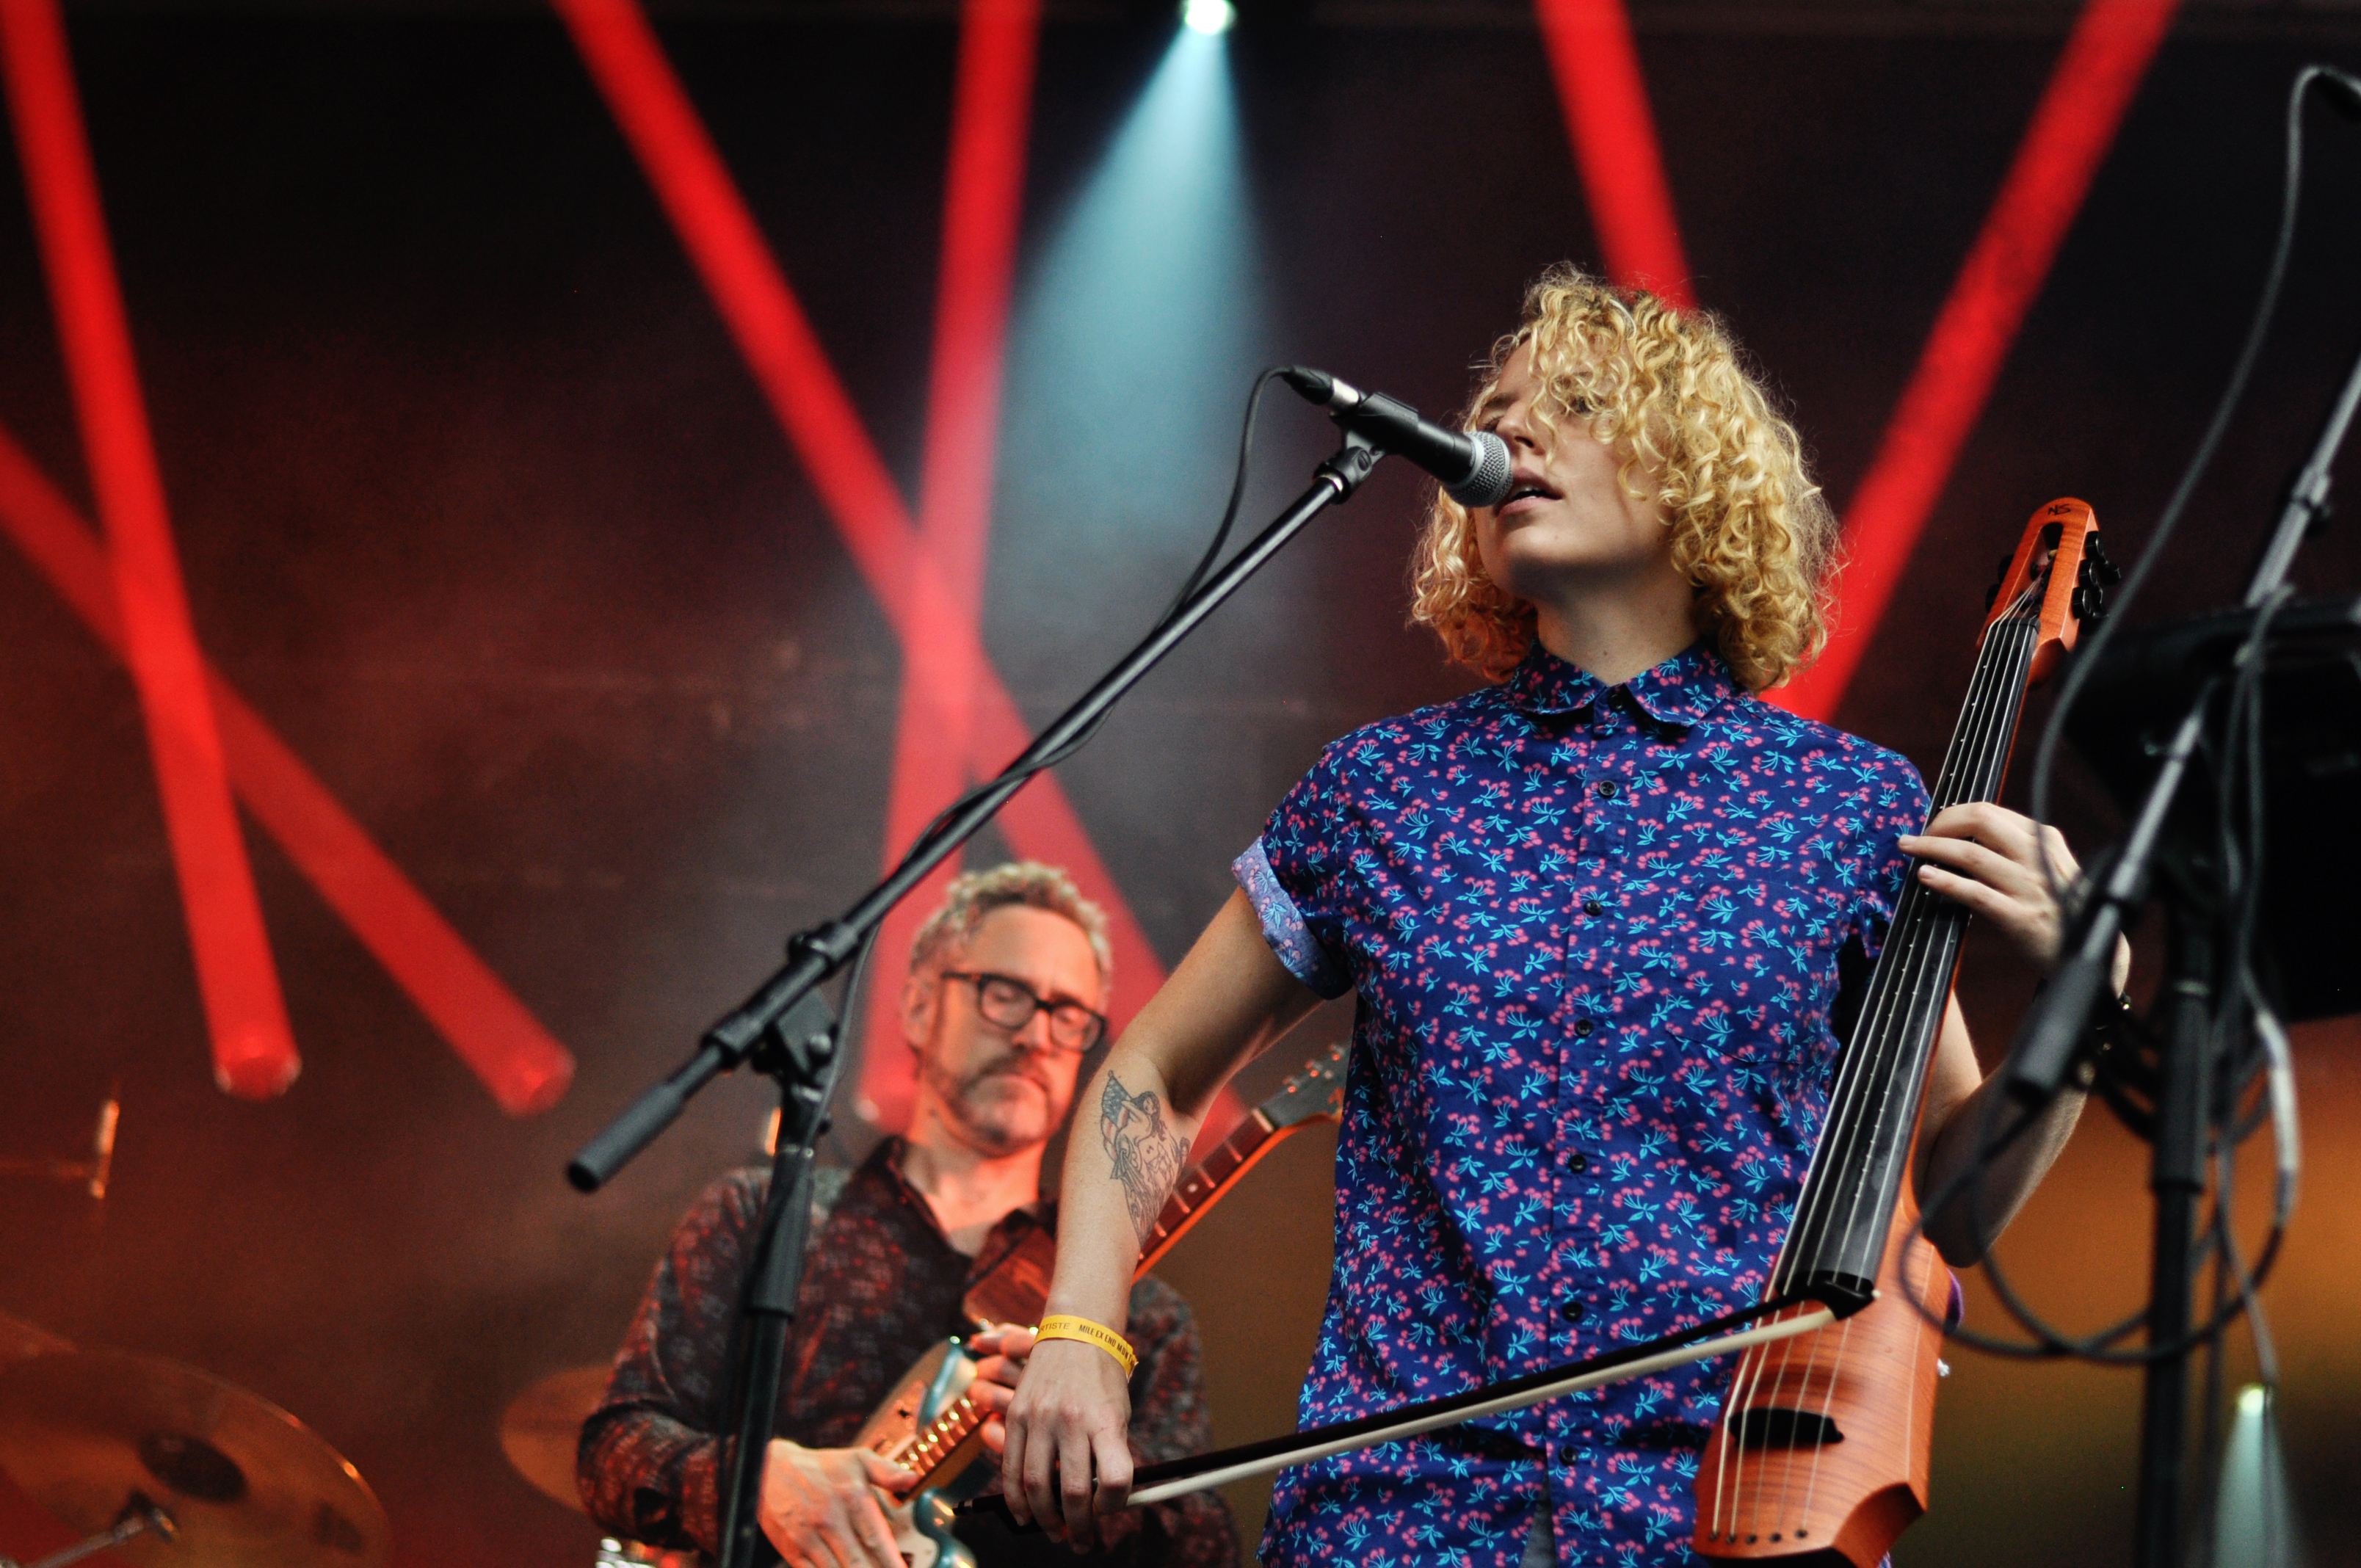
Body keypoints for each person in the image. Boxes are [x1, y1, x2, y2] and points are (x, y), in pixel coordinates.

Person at [996, 265, 2133, 1567]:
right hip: (1397, 1518)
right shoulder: (1382, 789)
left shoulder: (1848, 808)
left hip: (1716, 1515)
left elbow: (1953, 1209)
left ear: (1694, 473)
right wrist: (1082, 1329)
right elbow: (1150, 1069)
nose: (1509, 429)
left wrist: (2086, 998)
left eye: (1576, 404)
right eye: (1495, 410)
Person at [579, 861, 1239, 1568]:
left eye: (1068, 1014)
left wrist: (1078, 1461)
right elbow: (612, 1451)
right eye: (1005, 993)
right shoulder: (763, 1215)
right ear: (921, 1008)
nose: (1036, 1035)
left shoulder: (1137, 1310)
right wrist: (754, 1481)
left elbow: (1205, 1548)